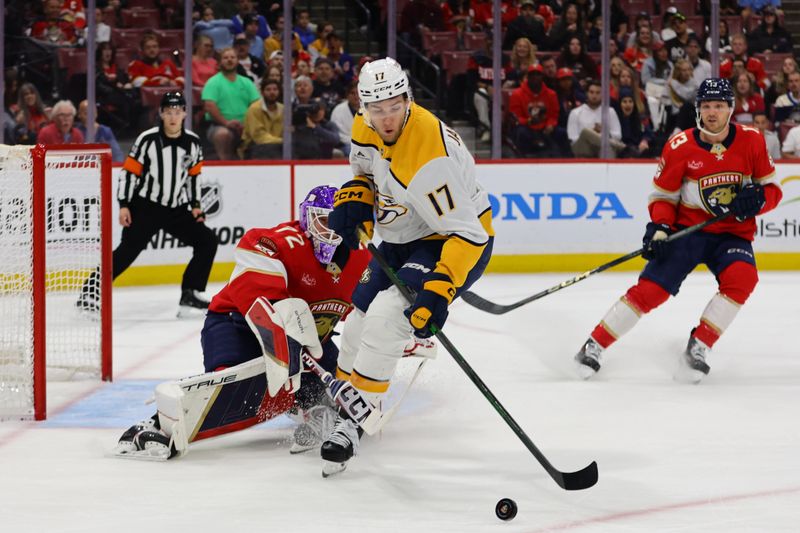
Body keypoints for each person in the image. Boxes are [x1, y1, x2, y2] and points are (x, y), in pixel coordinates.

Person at [113, 186, 396, 459]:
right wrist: (286, 341)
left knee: (336, 397)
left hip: (310, 345)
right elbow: (262, 299)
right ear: (305, 218)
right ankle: (158, 424)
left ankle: (311, 410)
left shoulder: (363, 261)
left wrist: (398, 334)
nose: (330, 230)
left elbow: (370, 318)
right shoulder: (278, 242)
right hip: (236, 324)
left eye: (336, 222)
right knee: (237, 385)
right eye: (322, 219)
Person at [324, 57, 495, 477]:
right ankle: (346, 398)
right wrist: (358, 197)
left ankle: (354, 420)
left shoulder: (429, 156)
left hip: (451, 241)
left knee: (386, 317)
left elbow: (468, 234)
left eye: (394, 106)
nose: (385, 117)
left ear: (408, 99)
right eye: (376, 108)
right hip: (401, 237)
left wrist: (440, 288)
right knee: (359, 317)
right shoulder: (363, 126)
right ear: (363, 107)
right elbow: (366, 172)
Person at [574, 78, 782, 383]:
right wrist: (659, 228)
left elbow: (773, 189)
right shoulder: (679, 146)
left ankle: (699, 345)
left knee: (743, 278)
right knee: (651, 291)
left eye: (719, 106)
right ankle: (594, 345)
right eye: (707, 106)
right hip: (689, 230)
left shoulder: (752, 141)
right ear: (698, 110)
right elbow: (663, 197)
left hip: (732, 235)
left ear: (731, 109)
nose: (713, 112)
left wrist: (759, 199)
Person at [81, 92, 218, 316]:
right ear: (161, 114)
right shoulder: (148, 139)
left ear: (184, 113)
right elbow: (129, 174)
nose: (173, 117)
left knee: (207, 241)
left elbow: (193, 177)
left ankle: (190, 294)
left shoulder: (193, 142)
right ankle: (91, 293)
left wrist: (195, 205)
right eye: (169, 112)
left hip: (176, 209)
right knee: (126, 252)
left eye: (177, 112)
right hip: (146, 207)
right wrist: (124, 204)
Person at [202, 47, 261, 160]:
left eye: (232, 57)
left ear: (237, 61)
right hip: (219, 125)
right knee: (222, 135)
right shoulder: (213, 82)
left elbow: (256, 105)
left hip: (246, 126)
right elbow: (210, 105)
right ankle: (226, 164)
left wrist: (247, 124)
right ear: (219, 62)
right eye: (226, 58)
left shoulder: (247, 82)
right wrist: (226, 123)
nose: (229, 60)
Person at [566, 79, 624, 157]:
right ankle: (622, 148)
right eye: (591, 92)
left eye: (598, 93)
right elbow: (572, 138)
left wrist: (605, 132)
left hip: (603, 147)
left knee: (607, 150)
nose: (594, 95)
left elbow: (618, 135)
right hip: (582, 148)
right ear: (587, 93)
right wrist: (592, 134)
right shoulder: (575, 113)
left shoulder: (610, 111)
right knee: (586, 132)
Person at [240, 78, 283, 159]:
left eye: (275, 89)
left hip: (277, 146)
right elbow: (259, 137)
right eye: (268, 90)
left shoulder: (283, 109)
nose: (272, 92)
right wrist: (282, 141)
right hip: (254, 147)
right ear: (262, 92)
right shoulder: (254, 109)